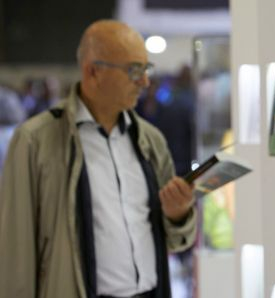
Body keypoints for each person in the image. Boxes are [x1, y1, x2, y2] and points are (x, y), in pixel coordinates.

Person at [0, 20, 197, 298]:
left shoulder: (150, 140)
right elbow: (16, 251)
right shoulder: (36, 141)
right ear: (93, 72)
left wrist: (179, 214)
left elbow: (173, 240)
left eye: (146, 69)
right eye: (134, 70)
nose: (145, 81)